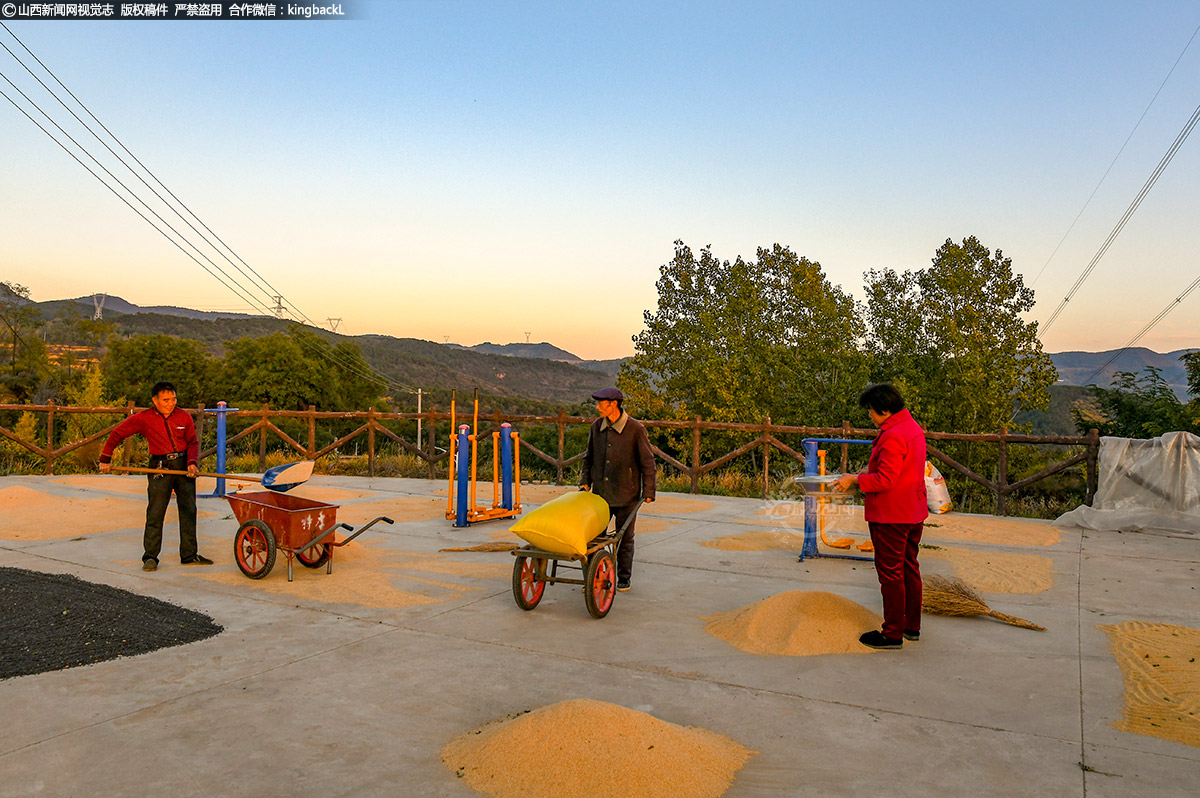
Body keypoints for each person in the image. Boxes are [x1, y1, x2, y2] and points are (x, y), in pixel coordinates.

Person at [833, 383, 928, 650]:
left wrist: (855, 479)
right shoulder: (913, 428)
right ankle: (912, 626)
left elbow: (886, 479)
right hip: (913, 511)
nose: (870, 417)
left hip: (892, 515)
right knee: (909, 566)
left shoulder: (894, 435)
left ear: (885, 411)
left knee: (890, 573)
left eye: (872, 412)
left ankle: (892, 633)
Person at [99, 381, 213, 572]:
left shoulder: (184, 417)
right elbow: (118, 433)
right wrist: (105, 458)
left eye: (174, 399)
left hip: (183, 465)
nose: (171, 403)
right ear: (155, 400)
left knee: (189, 511)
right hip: (160, 465)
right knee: (156, 512)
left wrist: (192, 462)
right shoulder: (144, 418)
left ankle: (189, 555)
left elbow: (192, 442)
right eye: (166, 400)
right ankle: (150, 557)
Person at [579, 387, 655, 592]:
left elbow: (648, 462)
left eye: (600, 404)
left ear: (613, 404)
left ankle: (623, 577)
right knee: (594, 538)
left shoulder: (635, 429)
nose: (597, 408)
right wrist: (585, 481)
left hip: (627, 493)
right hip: (600, 495)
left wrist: (649, 491)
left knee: (625, 539)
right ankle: (593, 578)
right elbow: (589, 457)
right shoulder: (596, 427)